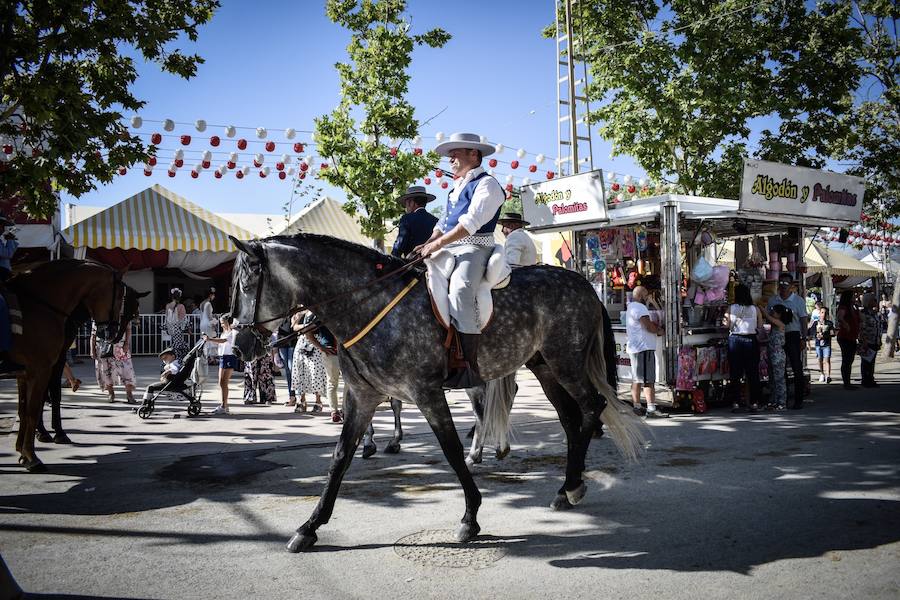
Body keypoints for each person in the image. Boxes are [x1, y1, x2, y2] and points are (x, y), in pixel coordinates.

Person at [414, 132, 506, 388]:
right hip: (450, 248)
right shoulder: (456, 187)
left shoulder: (488, 184)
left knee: (461, 290)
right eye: (450, 154)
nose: (451, 158)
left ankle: (468, 365)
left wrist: (437, 244)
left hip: (476, 248)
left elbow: (470, 224)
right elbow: (443, 223)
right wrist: (427, 242)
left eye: (456, 152)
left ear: (474, 154)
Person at [767, 275, 808, 409]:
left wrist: (804, 338)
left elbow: (803, 320)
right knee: (778, 370)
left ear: (791, 285)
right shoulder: (773, 300)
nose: (783, 285)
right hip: (778, 336)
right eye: (781, 283)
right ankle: (778, 399)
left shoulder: (798, 301)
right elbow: (768, 317)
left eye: (786, 283)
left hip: (793, 335)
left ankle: (798, 399)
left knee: (796, 367)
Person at [626, 285, 667, 418]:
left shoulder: (631, 307)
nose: (647, 298)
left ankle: (637, 406)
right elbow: (648, 326)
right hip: (643, 347)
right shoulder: (640, 308)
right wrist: (659, 330)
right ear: (640, 295)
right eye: (646, 295)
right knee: (648, 380)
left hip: (636, 347)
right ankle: (651, 408)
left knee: (637, 379)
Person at [726, 284, 763, 412]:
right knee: (753, 373)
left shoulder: (731, 308)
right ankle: (754, 403)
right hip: (751, 341)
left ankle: (736, 402)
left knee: (735, 373)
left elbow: (726, 324)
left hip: (735, 340)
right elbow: (760, 326)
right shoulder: (755, 309)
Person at [90, 319, 137, 403]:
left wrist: (127, 343)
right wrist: (92, 349)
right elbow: (93, 333)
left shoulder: (121, 313)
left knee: (127, 371)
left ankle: (129, 394)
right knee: (105, 371)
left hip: (120, 346)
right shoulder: (98, 314)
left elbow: (128, 328)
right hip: (102, 347)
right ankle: (111, 394)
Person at [0, 216, 24, 374]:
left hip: (4, 276)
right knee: (1, 305)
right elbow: (6, 254)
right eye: (1, 225)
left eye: (3, 225)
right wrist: (11, 241)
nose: (3, 227)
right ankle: (4, 355)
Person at [291, 310, 326, 414]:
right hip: (302, 342)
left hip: (315, 342)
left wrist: (302, 327)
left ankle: (318, 402)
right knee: (299, 371)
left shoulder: (318, 311)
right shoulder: (300, 313)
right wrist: (305, 326)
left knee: (316, 372)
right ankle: (301, 401)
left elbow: (314, 327)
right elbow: (294, 327)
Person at [202, 314, 238, 415]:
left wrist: (210, 339)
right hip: (223, 357)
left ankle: (223, 405)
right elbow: (221, 342)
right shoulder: (224, 332)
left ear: (228, 322)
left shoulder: (232, 332)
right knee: (221, 383)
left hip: (229, 357)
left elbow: (223, 341)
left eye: (223, 322)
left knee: (224, 382)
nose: (221, 324)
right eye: (221, 322)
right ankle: (224, 405)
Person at [308, 320, 342, 423]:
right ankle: (334, 412)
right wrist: (321, 347)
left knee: (349, 383)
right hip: (330, 352)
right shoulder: (323, 317)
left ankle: (345, 410)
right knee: (332, 382)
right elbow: (308, 332)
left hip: (346, 351)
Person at [391, 185, 439, 258]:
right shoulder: (436, 220)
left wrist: (392, 258)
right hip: (434, 262)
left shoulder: (407, 219)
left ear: (412, 203)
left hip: (413, 263)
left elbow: (400, 243)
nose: (406, 207)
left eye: (406, 204)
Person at [763, 304, 790, 410]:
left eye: (774, 311)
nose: (771, 313)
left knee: (779, 379)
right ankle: (774, 400)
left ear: (779, 314)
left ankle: (782, 402)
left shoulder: (780, 324)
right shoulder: (774, 325)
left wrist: (761, 307)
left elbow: (768, 317)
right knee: (772, 379)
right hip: (771, 352)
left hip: (778, 353)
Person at [835, 290, 860, 390]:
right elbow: (840, 317)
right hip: (845, 336)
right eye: (853, 296)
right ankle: (846, 382)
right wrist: (846, 325)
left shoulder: (853, 307)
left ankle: (848, 381)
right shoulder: (844, 307)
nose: (854, 297)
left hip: (852, 336)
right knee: (847, 359)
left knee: (850, 359)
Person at [858, 293, 881, 388]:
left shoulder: (874, 313)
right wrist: (864, 341)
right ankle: (866, 380)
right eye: (873, 300)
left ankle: (870, 378)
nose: (875, 302)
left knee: (872, 362)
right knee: (866, 361)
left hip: (875, 340)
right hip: (867, 341)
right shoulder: (863, 313)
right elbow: (862, 328)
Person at [165, 287, 189, 360]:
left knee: (173, 343)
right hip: (178, 328)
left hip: (170, 328)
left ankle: (172, 358)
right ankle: (177, 359)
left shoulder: (168, 305)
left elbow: (167, 318)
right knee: (178, 344)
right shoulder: (181, 306)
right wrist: (186, 327)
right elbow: (182, 319)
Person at [814, 306, 834, 383]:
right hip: (818, 344)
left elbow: (832, 333)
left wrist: (825, 335)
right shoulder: (815, 323)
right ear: (819, 313)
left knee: (827, 359)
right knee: (820, 359)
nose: (823, 314)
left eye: (825, 313)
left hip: (826, 344)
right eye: (822, 312)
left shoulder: (829, 323)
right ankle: (822, 373)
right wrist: (816, 335)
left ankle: (828, 376)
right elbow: (811, 332)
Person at [198, 287, 218, 365]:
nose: (214, 297)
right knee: (210, 339)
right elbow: (209, 317)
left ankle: (207, 357)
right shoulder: (208, 304)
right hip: (207, 324)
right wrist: (214, 323)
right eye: (213, 295)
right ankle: (211, 358)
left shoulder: (202, 303)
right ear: (210, 295)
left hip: (202, 323)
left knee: (205, 340)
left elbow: (205, 314)